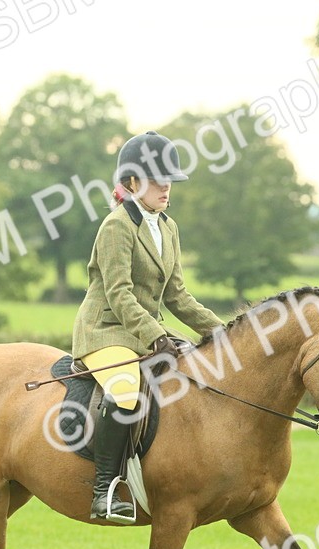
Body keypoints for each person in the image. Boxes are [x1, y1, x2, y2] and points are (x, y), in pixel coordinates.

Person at [72, 131, 226, 523]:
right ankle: (104, 490)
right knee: (125, 393)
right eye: (157, 178)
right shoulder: (116, 226)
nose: (166, 186)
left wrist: (226, 331)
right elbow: (120, 294)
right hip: (106, 330)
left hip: (144, 331)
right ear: (131, 182)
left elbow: (178, 297)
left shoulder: (168, 228)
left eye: (169, 178)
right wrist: (156, 335)